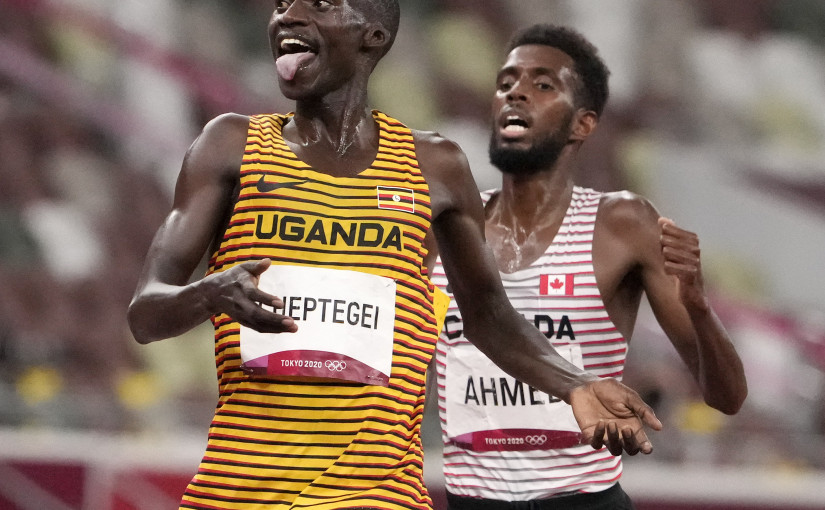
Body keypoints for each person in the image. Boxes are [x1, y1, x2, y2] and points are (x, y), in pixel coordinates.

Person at [127, 4, 662, 509]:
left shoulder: (436, 166)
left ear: (373, 35)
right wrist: (209, 292)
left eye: (318, 2)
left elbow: (488, 314)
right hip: (240, 493)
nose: (288, 14)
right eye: (282, 2)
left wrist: (576, 384)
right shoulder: (229, 145)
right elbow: (146, 314)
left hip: (379, 494)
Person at [431, 24, 748, 509]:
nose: (516, 92)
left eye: (542, 84)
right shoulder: (449, 226)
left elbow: (727, 397)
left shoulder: (623, 223)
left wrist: (699, 307)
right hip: (471, 498)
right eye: (506, 83)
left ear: (583, 123)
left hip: (582, 499)